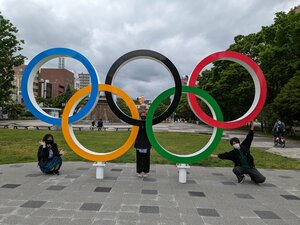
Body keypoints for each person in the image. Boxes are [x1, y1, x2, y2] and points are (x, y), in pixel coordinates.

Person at [134, 111, 152, 177]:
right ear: (140, 115)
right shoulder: (137, 123)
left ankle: (145, 171)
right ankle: (139, 171)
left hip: (146, 143)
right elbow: (135, 132)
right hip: (139, 142)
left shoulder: (148, 123)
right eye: (142, 115)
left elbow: (150, 132)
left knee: (146, 158)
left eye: (144, 115)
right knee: (139, 158)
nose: (143, 116)